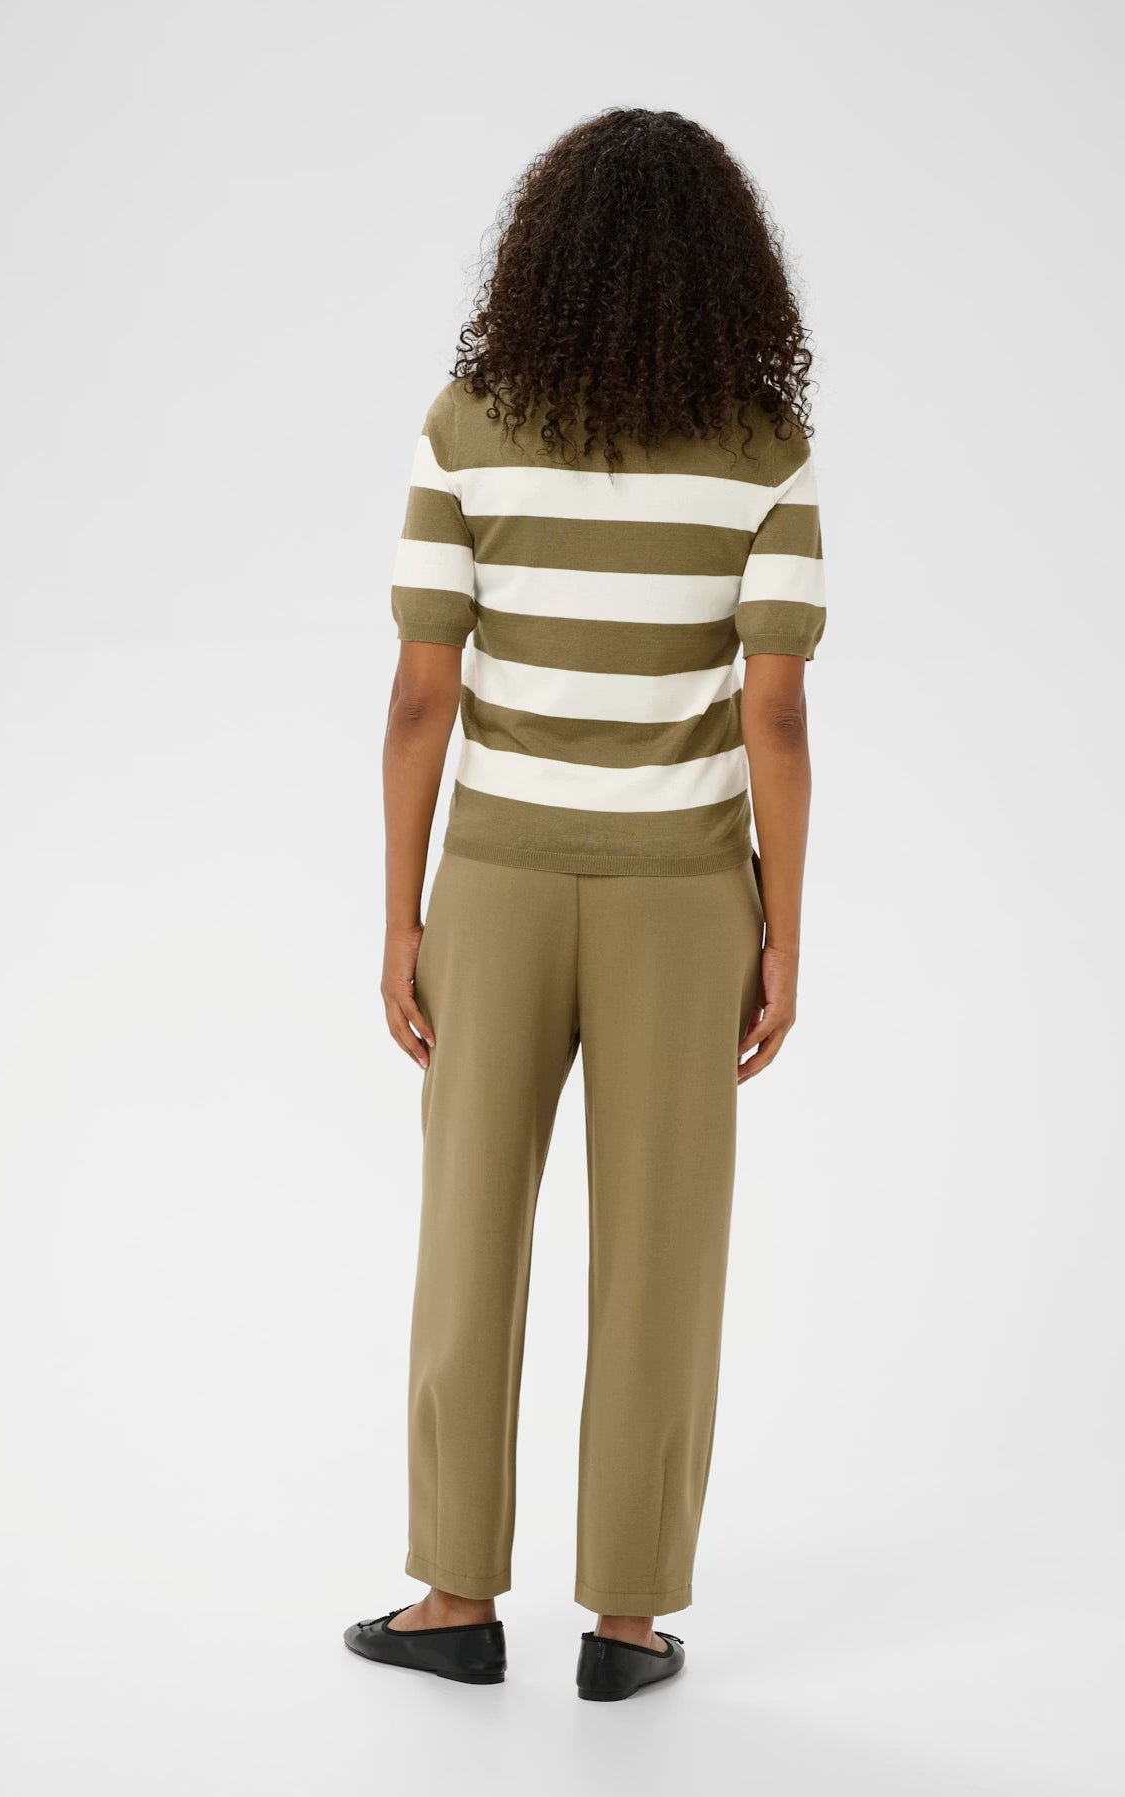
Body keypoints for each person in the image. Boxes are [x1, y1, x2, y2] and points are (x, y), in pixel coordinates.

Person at [344, 107, 824, 1702]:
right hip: (683, 897)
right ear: (729, 268)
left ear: (540, 254)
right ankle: (624, 1627)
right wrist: (786, 932)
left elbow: (423, 696)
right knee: (663, 1249)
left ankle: (453, 1599)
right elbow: (775, 717)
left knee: (466, 1231)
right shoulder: (762, 447)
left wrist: (402, 917)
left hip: (492, 882)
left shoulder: (468, 422)